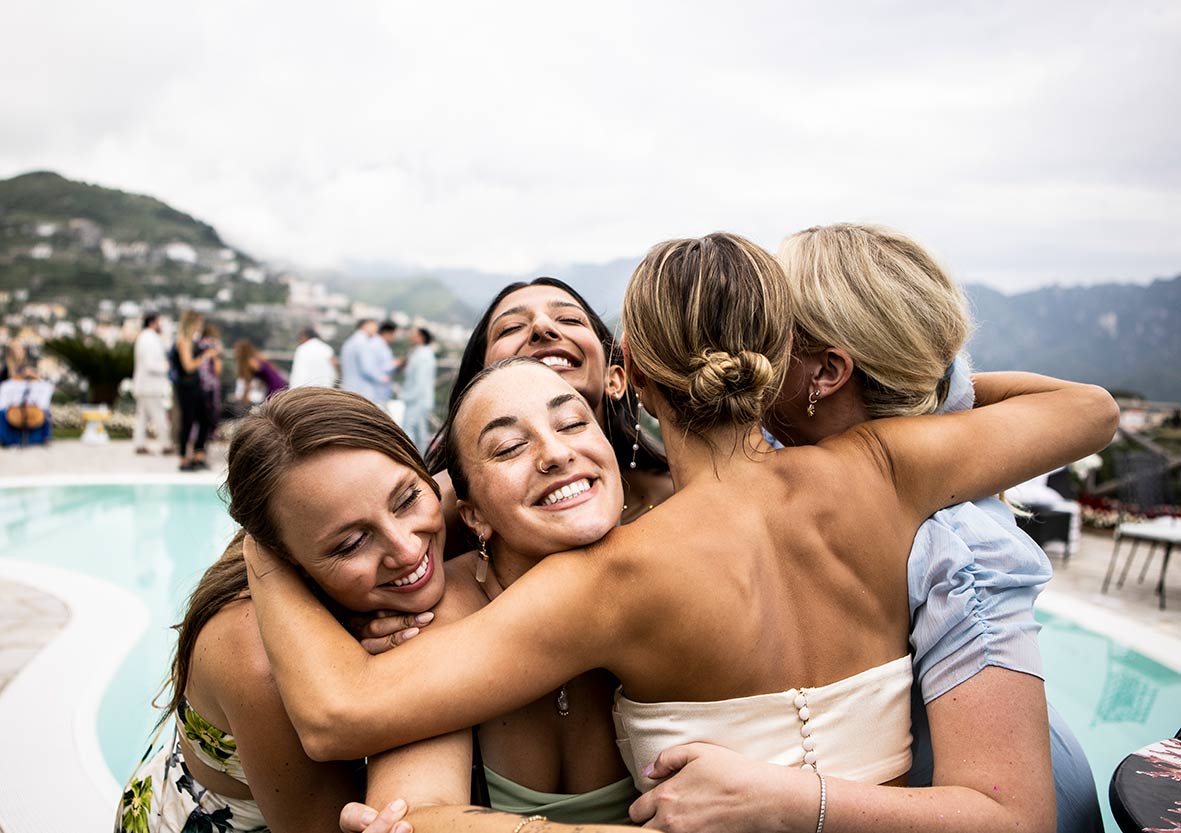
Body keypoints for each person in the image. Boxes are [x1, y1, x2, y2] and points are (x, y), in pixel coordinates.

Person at [243, 233, 1118, 833]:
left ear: (624, 374)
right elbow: (1086, 409)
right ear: (777, 354)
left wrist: (264, 535)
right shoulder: (887, 467)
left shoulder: (610, 578)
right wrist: (913, 395)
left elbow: (338, 714)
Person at [627, 224, 1103, 832]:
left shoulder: (954, 538)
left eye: (770, 331)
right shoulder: (823, 458)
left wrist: (785, 799)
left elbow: (1015, 818)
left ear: (825, 373)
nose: (743, 345)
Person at [115, 386, 645, 833]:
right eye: (349, 545)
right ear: (289, 563)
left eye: (408, 500)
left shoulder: (456, 532)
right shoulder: (257, 655)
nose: (407, 550)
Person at [427, 277, 672, 557]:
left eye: (570, 319)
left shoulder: (680, 498)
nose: (542, 327)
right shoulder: (438, 521)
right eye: (511, 328)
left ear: (615, 378)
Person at [171, 310, 218, 471]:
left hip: (195, 386)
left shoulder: (192, 340)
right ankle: (184, 458)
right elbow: (188, 366)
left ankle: (198, 455)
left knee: (204, 419)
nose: (200, 326)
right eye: (198, 322)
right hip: (186, 387)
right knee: (188, 422)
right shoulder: (183, 341)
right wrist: (206, 356)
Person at [132, 314, 173, 455]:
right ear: (152, 323)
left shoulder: (144, 337)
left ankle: (139, 445)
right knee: (159, 415)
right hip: (151, 386)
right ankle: (166, 445)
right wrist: (166, 366)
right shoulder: (150, 339)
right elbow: (150, 364)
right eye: (159, 322)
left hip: (144, 386)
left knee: (142, 418)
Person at [400, 327, 437, 453]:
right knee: (420, 432)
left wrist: (407, 397)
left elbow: (420, 382)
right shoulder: (419, 353)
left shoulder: (423, 356)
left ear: (421, 338)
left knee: (409, 430)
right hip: (418, 399)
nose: (411, 336)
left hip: (417, 400)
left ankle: (411, 460)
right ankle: (423, 461)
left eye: (414, 335)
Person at [340, 319, 385, 404]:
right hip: (361, 390)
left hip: (348, 387)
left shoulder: (350, 341)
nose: (376, 329)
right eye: (374, 325)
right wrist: (381, 377)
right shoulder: (363, 342)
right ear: (365, 325)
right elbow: (367, 369)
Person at [197, 322, 224, 439]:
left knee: (199, 414)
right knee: (211, 412)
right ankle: (210, 435)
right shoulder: (213, 346)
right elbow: (217, 369)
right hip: (211, 384)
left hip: (198, 384)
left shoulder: (199, 345)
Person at [371, 321, 399, 406]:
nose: (395, 337)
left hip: (382, 392)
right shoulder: (375, 344)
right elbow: (374, 367)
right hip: (376, 392)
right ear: (387, 333)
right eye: (393, 334)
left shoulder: (382, 345)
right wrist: (396, 363)